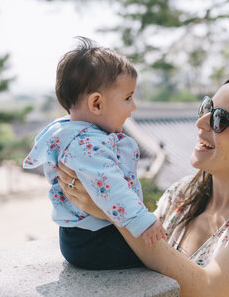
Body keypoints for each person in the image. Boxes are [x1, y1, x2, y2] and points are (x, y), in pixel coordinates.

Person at [56, 76, 229, 296]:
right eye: (206, 108)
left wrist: (115, 211)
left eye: (221, 120)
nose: (200, 123)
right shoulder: (180, 194)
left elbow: (207, 290)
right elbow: (145, 256)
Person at [23, 37, 165, 270]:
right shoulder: (87, 146)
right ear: (96, 104)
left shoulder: (73, 134)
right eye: (128, 98)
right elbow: (111, 188)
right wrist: (143, 221)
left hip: (85, 237)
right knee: (161, 257)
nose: (134, 107)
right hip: (95, 241)